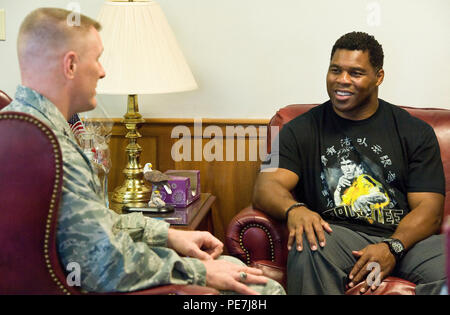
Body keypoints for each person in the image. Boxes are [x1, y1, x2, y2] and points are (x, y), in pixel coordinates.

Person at [2, 7, 285, 295]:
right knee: (264, 290)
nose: (102, 70)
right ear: (71, 65)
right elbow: (105, 265)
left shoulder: (20, 127)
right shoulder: (53, 148)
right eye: (97, 59)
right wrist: (200, 272)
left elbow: (93, 223)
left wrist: (168, 235)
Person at [253, 31, 446, 294]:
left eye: (355, 73)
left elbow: (430, 209)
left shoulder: (415, 132)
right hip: (338, 237)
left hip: (406, 241)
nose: (342, 81)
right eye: (335, 70)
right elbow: (266, 185)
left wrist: (393, 247)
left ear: (379, 77)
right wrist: (294, 209)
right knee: (308, 243)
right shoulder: (298, 128)